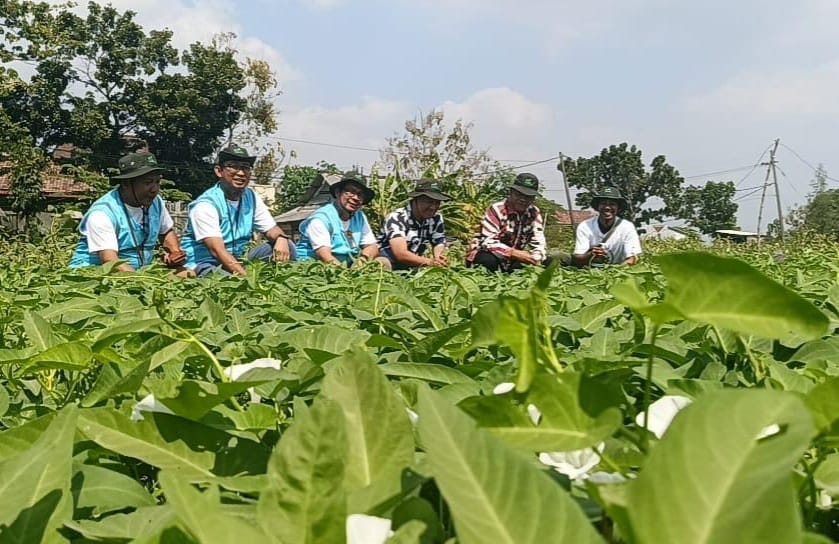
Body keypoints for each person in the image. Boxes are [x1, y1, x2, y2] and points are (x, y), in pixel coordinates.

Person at [181, 144, 293, 276]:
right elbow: (216, 250)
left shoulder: (251, 197)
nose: (240, 173)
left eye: (245, 168)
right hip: (207, 261)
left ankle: (284, 284)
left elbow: (271, 229)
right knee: (226, 281)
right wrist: (247, 280)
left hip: (239, 259)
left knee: (287, 246)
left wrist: (281, 238)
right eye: (233, 166)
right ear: (219, 171)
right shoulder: (205, 205)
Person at [69, 152, 187, 273]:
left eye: (157, 182)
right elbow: (110, 261)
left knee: (187, 273)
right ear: (126, 184)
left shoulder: (156, 202)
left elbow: (166, 231)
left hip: (139, 273)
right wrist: (143, 282)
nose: (155, 189)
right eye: (148, 182)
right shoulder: (102, 213)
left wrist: (175, 253)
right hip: (96, 274)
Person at [295, 172, 389, 268]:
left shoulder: (359, 216)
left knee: (382, 262)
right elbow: (324, 255)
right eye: (350, 192)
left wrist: (362, 260)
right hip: (316, 266)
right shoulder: (321, 219)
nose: (355, 198)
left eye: (360, 194)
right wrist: (346, 275)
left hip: (347, 265)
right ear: (337, 193)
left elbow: (371, 246)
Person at [466, 172, 549, 273]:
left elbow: (539, 241)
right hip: (490, 253)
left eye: (528, 197)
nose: (523, 200)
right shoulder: (496, 209)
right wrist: (514, 253)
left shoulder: (534, 213)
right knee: (487, 261)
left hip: (515, 258)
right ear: (511, 192)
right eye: (519, 195)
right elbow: (488, 242)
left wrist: (536, 257)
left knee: (528, 268)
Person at [378, 178, 450, 270]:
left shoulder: (436, 218)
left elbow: (439, 241)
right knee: (382, 264)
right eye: (429, 202)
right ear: (416, 199)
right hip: (391, 261)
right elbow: (400, 253)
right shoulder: (397, 217)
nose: (433, 207)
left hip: (413, 264)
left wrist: (439, 257)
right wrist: (430, 262)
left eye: (437, 203)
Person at [571, 186, 642, 267]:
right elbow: (578, 257)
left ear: (618, 208)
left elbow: (633, 258)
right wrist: (591, 254)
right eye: (603, 203)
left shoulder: (627, 227)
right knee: (558, 256)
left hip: (618, 269)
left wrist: (616, 271)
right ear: (598, 207)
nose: (607, 207)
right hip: (590, 270)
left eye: (612, 204)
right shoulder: (585, 226)